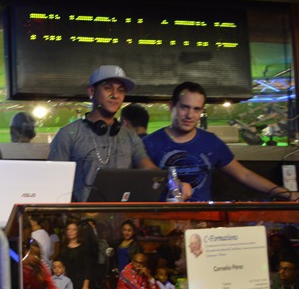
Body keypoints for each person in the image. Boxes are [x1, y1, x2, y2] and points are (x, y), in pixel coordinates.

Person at [143, 81, 299, 202]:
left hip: (203, 220)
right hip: (162, 220)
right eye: (184, 107)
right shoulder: (150, 143)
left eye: (196, 109)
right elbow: (139, 185)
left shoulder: (211, 142)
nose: (190, 115)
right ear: (171, 106)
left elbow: (244, 175)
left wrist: (286, 193)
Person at [47, 65, 159, 202]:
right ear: (91, 91)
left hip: (121, 215)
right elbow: (53, 183)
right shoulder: (68, 134)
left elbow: (150, 170)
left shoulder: (130, 136)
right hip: (80, 215)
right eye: (108, 88)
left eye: (120, 90)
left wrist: (173, 182)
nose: (115, 95)